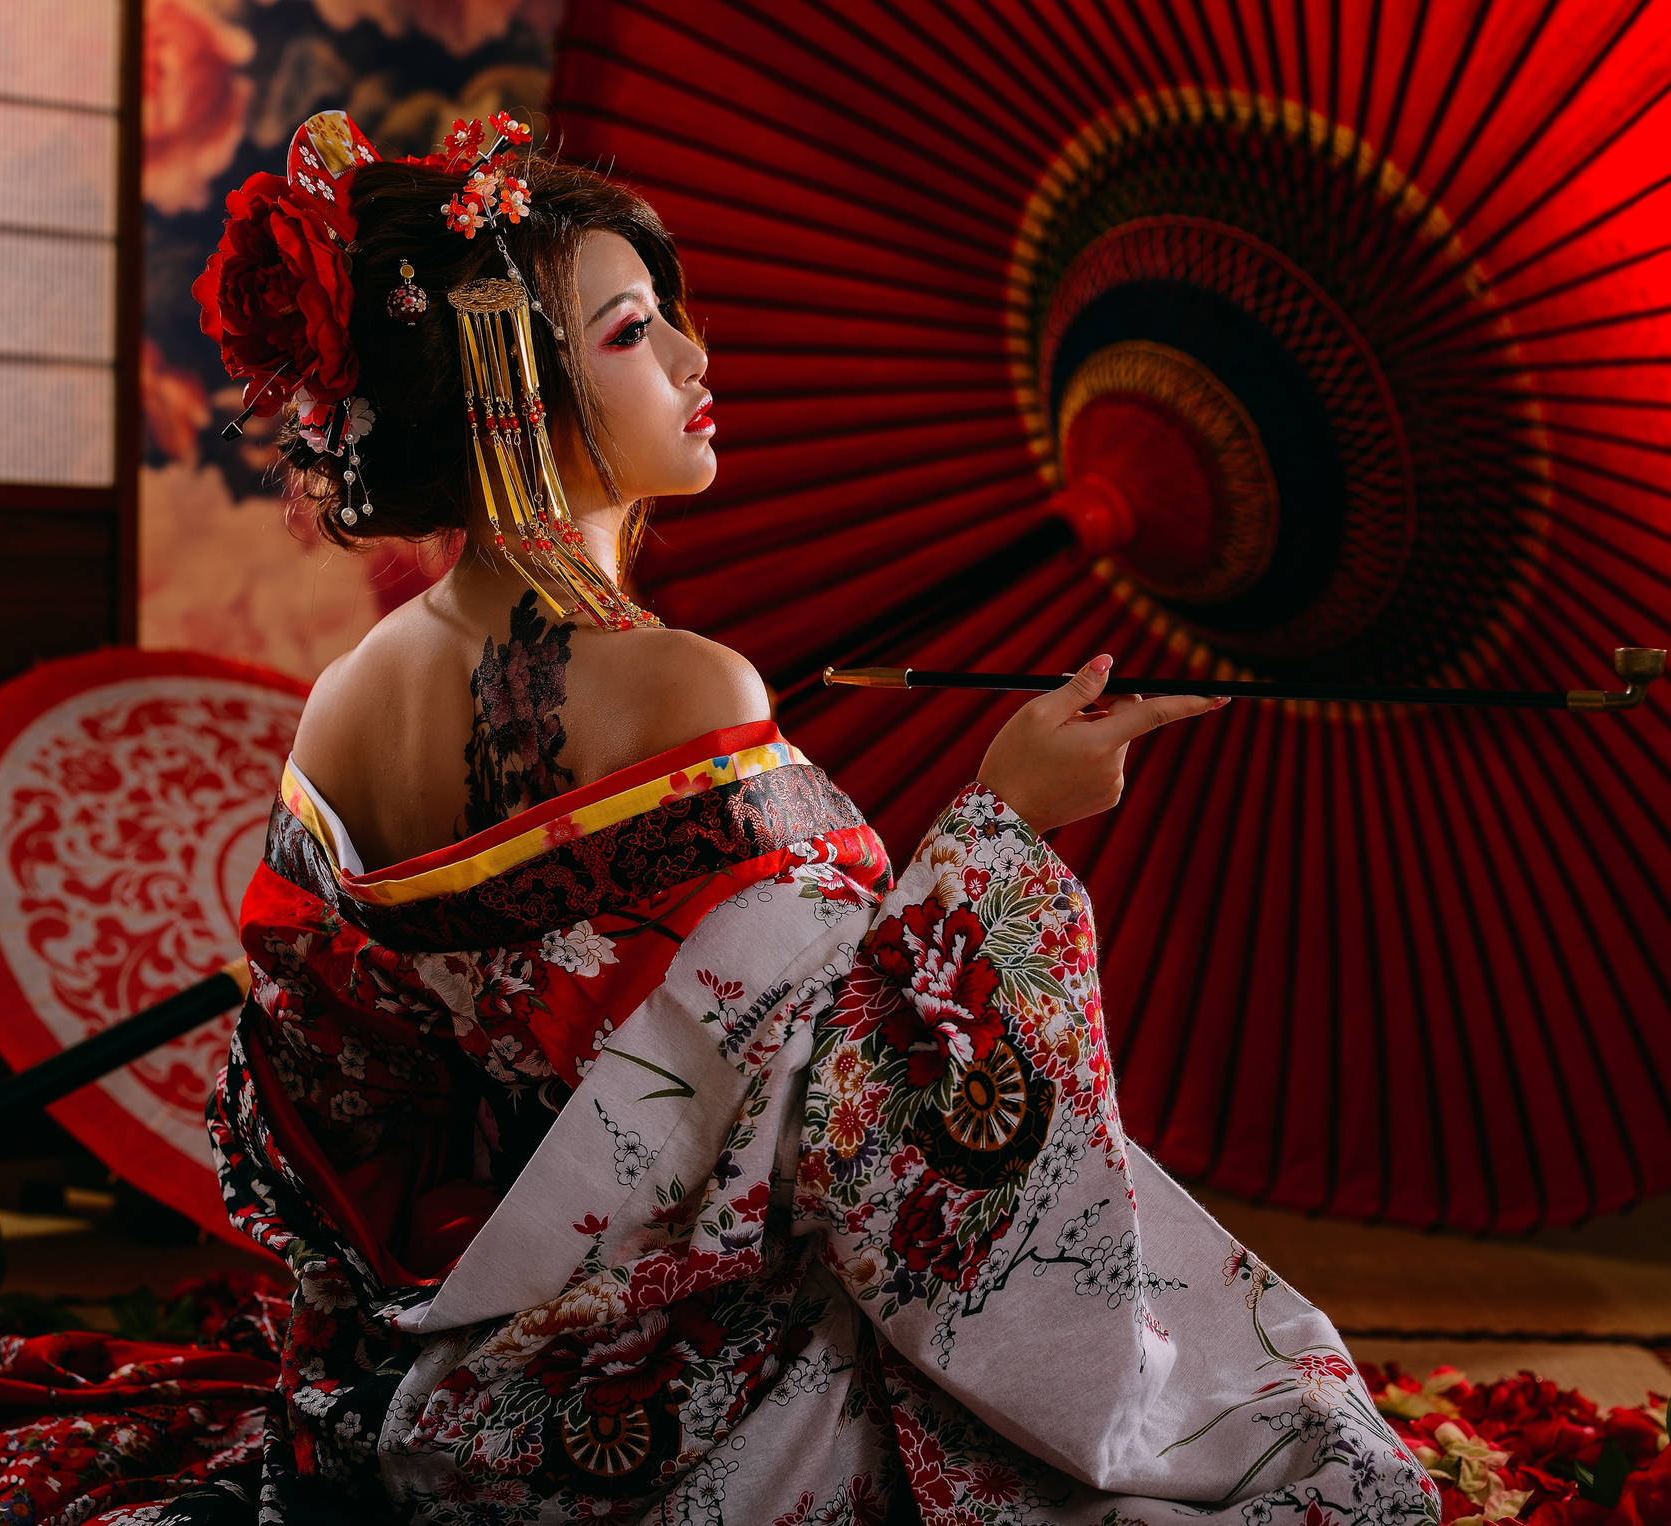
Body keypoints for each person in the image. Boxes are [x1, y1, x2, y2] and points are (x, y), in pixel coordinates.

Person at [190, 111, 1440, 1525]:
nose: (692, 361)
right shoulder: (682, 683)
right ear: (506, 388)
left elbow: (326, 1107)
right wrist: (1008, 827)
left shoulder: (341, 704)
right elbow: (861, 1137)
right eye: (628, 334)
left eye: (670, 322)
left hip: (446, 1399)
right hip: (694, 1398)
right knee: (1315, 1456)